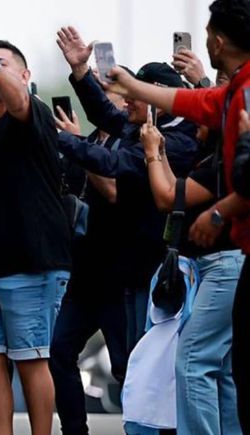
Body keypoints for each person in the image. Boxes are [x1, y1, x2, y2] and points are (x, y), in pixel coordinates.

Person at [98, 1, 250, 429]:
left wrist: (219, 213)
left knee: (194, 360)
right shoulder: (232, 94)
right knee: (219, 368)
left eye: (206, 34)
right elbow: (187, 99)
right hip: (229, 257)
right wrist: (133, 88)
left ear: (218, 41)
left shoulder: (242, 93)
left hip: (228, 259)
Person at [0, 39, 72, 435]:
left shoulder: (31, 113)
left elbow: (18, 101)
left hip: (29, 263)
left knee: (31, 358)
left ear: (24, 76)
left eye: (2, 65)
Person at [54, 27, 198, 351]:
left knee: (144, 364)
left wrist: (55, 136)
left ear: (158, 96)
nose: (125, 100)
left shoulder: (176, 140)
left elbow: (111, 162)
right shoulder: (145, 127)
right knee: (133, 364)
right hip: (132, 269)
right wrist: (80, 71)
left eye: (134, 92)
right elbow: (103, 114)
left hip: (159, 271)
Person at [139, 111, 243, 435]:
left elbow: (165, 199)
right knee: (221, 368)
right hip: (216, 267)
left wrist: (151, 153)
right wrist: (162, 154)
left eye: (200, 117)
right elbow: (178, 191)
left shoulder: (223, 165)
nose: (193, 122)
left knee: (192, 362)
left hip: (224, 267)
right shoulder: (209, 159)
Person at [49, 85, 129, 435]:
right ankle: (74, 430)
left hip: (119, 274)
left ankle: (143, 428)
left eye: (108, 91)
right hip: (82, 272)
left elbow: (112, 191)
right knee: (59, 351)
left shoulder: (133, 140)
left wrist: (78, 144)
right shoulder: (89, 136)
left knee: (126, 365)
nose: (99, 96)